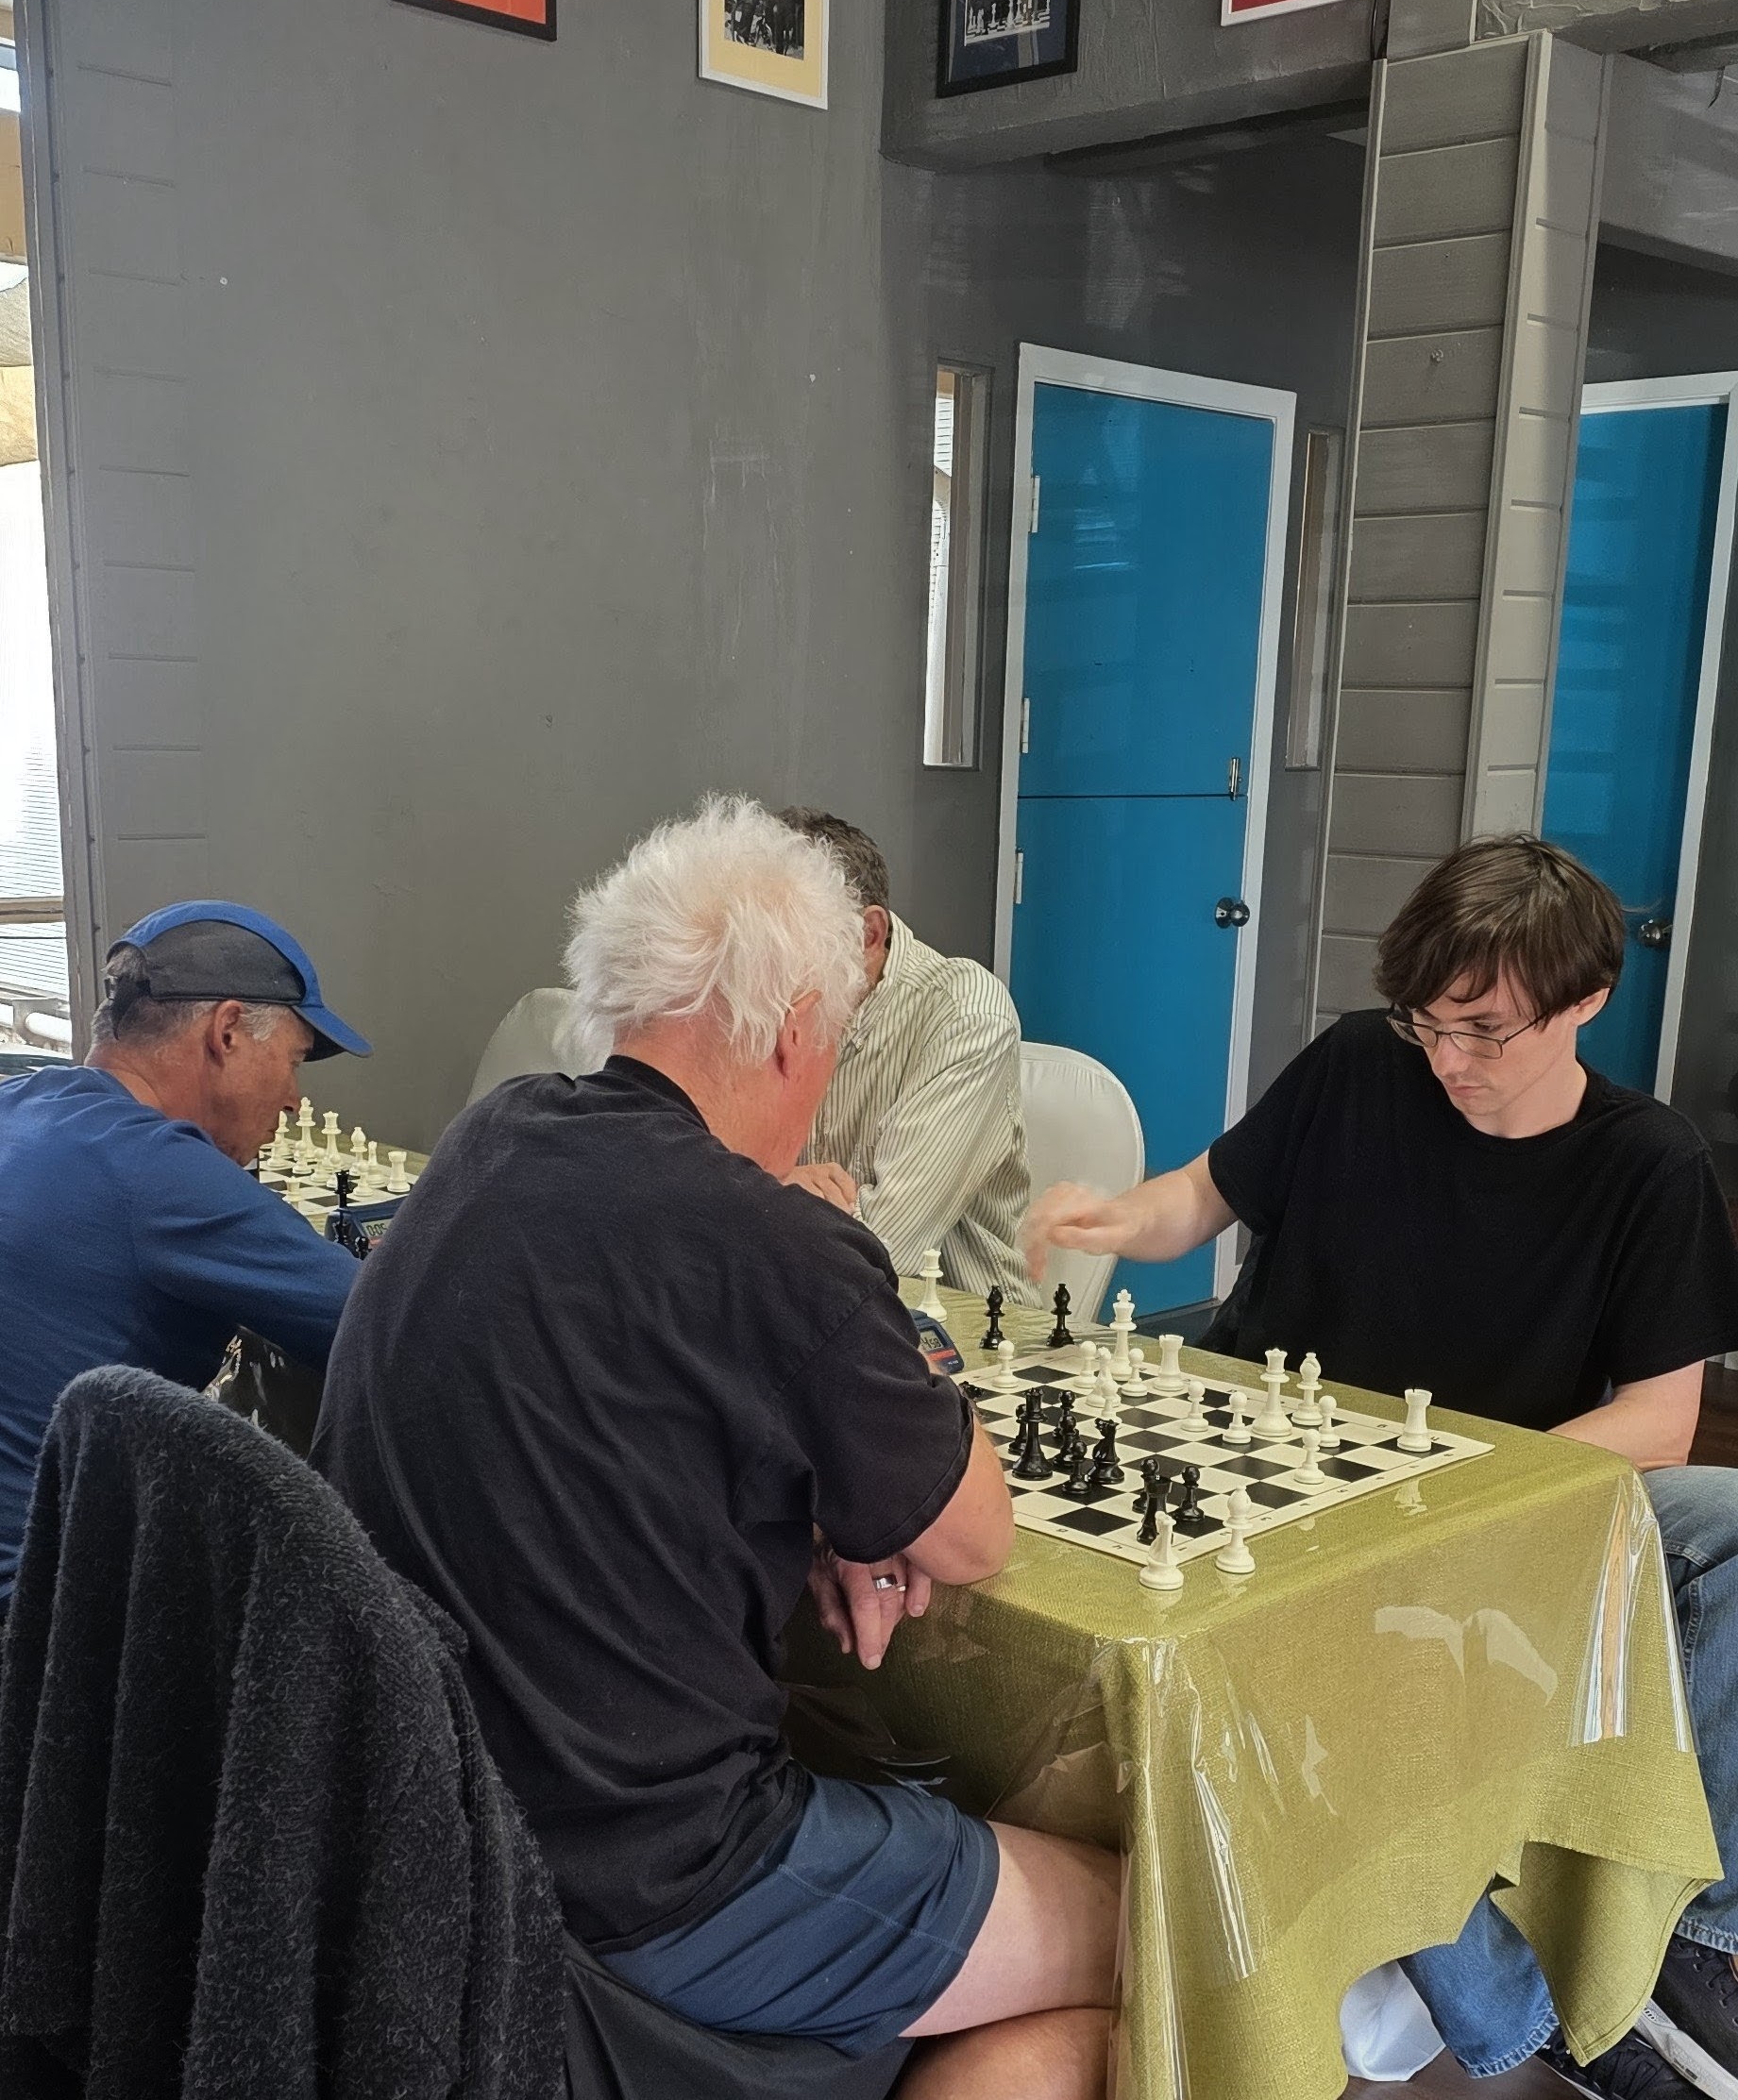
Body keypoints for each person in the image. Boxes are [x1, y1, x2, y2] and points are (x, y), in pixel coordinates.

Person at [313, 799, 1117, 2100]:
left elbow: (626, 1416)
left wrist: (824, 1502)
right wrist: (872, 1343)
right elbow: (973, 1530)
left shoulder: (487, 1141)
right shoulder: (768, 1237)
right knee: (1152, 1930)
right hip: (660, 1878)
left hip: (441, 1843)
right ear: (799, 1025)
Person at [1026, 835, 1738, 2100]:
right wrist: (1112, 1216)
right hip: (1271, 1450)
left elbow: (1659, 1421)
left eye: (1483, 1029)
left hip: (1458, 1504)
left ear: (1583, 1000)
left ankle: (1641, 1963)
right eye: (1428, 1024)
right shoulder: (1364, 1058)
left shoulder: (1651, 1163)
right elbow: (1201, 1195)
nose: (1448, 1058)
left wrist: (1453, 1474)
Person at [0, 899, 369, 1613]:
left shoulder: (19, 1101)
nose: (294, 1100)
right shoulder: (158, 1170)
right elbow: (392, 1324)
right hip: (31, 1635)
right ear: (227, 1031)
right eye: (292, 1061)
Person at [777, 807, 1040, 1306]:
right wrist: (776, 1184)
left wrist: (765, 1189)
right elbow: (694, 1180)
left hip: (958, 1329)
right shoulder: (764, 1001)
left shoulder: (965, 1014)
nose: (761, 960)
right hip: (808, 1308)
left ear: (868, 935)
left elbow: (883, 1244)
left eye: (785, 939)